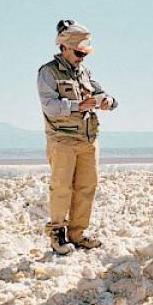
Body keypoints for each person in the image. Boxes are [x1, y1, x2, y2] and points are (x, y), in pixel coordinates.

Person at [37, 20, 116, 255]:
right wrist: (78, 105)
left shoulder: (84, 72)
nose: (82, 57)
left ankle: (77, 233)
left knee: (86, 187)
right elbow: (50, 105)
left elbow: (103, 93)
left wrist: (106, 102)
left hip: (88, 139)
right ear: (64, 48)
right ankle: (57, 233)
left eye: (85, 53)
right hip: (62, 140)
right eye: (79, 52)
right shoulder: (48, 72)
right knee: (61, 187)